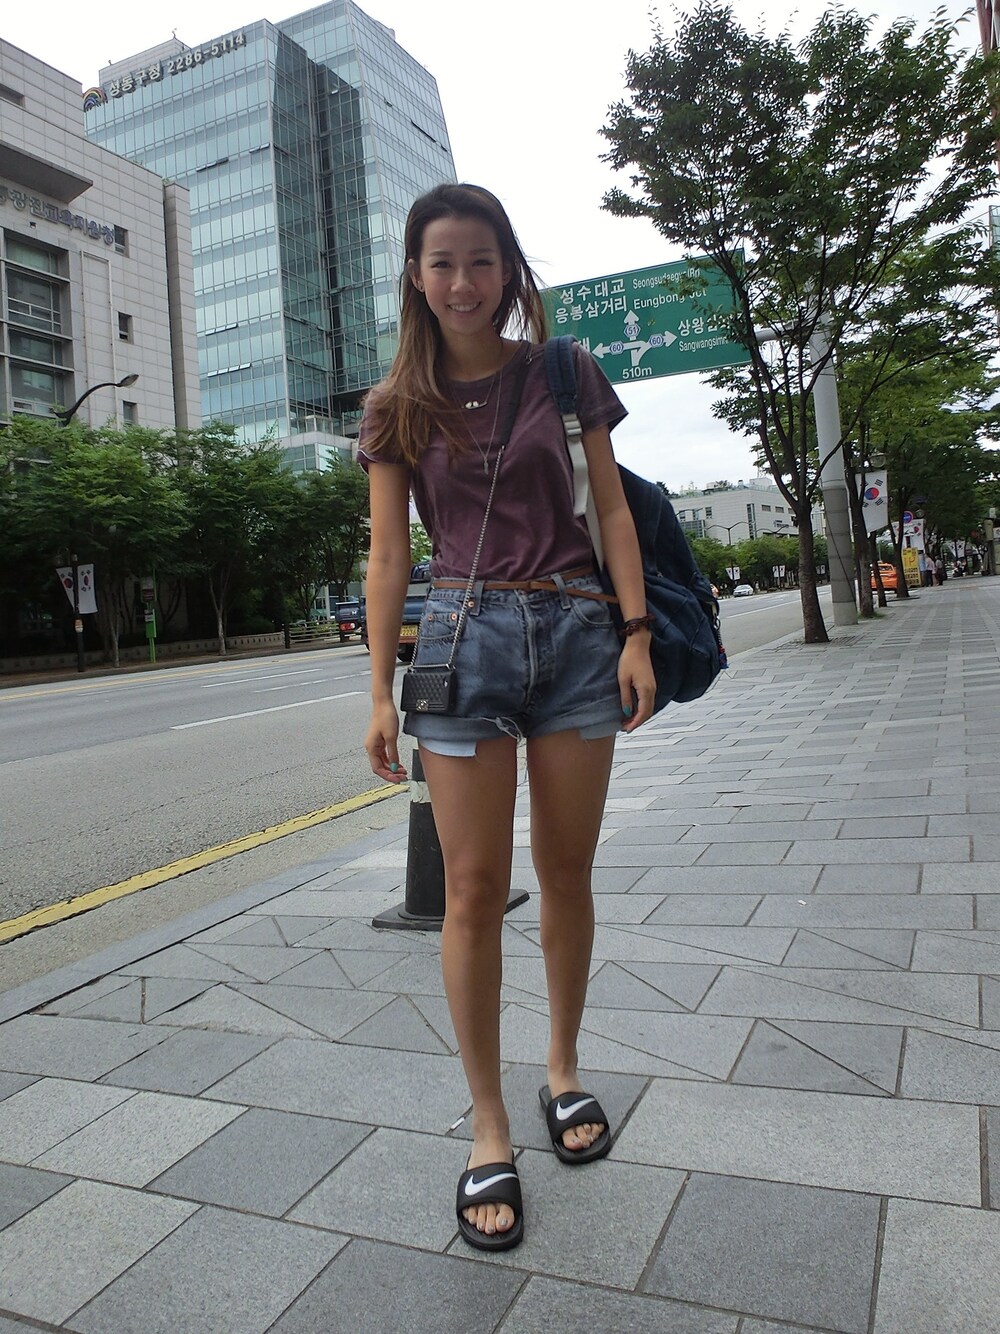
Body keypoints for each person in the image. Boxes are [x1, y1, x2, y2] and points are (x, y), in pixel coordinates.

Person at [359, 183, 655, 1251]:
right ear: (415, 276)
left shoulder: (562, 371)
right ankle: (487, 1121)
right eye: (441, 262)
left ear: (507, 268)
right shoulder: (395, 404)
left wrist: (635, 633)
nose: (463, 282)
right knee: (474, 888)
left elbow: (609, 507)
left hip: (576, 631)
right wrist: (376, 689)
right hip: (460, 640)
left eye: (480, 260)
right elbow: (389, 556)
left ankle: (562, 1069)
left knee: (567, 872)